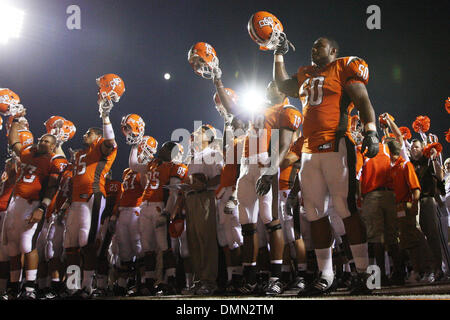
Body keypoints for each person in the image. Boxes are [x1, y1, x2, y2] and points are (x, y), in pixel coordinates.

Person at [273, 36, 379, 295]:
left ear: (333, 50)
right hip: (309, 151)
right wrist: (278, 54)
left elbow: (362, 98)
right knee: (315, 213)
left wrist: (371, 131)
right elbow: (282, 84)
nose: (313, 48)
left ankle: (364, 274)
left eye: (319, 45)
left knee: (346, 209)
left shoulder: (344, 66)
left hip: (336, 144)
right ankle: (326, 275)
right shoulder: (306, 73)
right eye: (312, 45)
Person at [5, 120, 68, 299]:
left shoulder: (53, 161)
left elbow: (52, 187)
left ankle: (30, 288)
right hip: (15, 204)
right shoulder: (28, 154)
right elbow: (14, 142)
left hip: (32, 205)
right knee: (12, 249)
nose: (41, 142)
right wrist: (15, 123)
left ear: (53, 146)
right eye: (41, 140)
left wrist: (42, 207)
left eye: (47, 141)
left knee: (28, 245)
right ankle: (13, 287)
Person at [63, 105, 118, 298]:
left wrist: (105, 117)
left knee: (87, 242)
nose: (84, 135)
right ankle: (72, 286)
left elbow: (110, 141)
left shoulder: (100, 147)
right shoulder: (79, 154)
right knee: (70, 245)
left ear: (96, 136)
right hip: (76, 201)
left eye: (88, 133)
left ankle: (87, 286)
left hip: (92, 197)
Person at [185, 125, 222, 295]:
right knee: (193, 241)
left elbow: (221, 176)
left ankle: (209, 280)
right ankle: (199, 279)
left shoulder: (213, 154)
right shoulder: (193, 157)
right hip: (191, 197)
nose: (193, 134)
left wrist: (206, 183)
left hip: (205, 197)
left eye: (198, 132)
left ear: (208, 137)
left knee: (206, 239)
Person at [387, 140, 423, 282]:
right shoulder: (392, 168)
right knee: (403, 241)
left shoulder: (405, 165)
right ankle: (409, 270)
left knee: (412, 240)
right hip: (397, 208)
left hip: (406, 205)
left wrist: (414, 205)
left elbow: (415, 188)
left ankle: (419, 270)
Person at [410, 139, 446, 281]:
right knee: (418, 236)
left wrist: (435, 158)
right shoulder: (409, 164)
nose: (414, 149)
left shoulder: (428, 162)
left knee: (432, 234)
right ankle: (427, 268)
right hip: (414, 202)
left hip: (427, 200)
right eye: (412, 147)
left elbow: (440, 175)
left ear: (422, 148)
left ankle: (438, 268)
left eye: (417, 147)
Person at [0, 158, 16, 299]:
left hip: (7, 213)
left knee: (6, 253)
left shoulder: (16, 178)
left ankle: (7, 287)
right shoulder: (4, 179)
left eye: (9, 164)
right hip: (2, 213)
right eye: (6, 164)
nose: (6, 166)